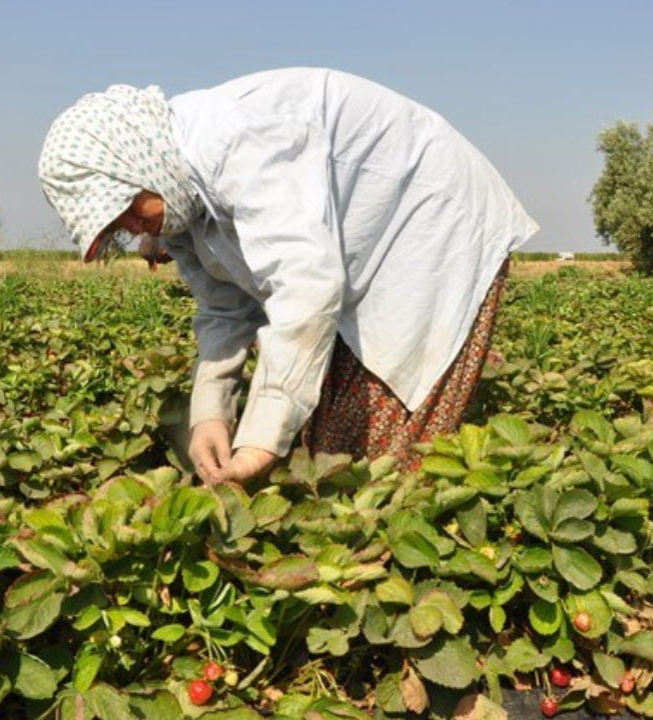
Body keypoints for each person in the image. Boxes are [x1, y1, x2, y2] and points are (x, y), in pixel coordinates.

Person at [38, 68, 537, 485]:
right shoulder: (177, 195)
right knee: (327, 438)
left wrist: (260, 439)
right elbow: (222, 306)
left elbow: (306, 286)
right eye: (117, 225)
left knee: (376, 452)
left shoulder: (236, 140)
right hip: (354, 254)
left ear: (135, 164)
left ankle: (394, 559)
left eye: (124, 208)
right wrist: (210, 413)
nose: (132, 228)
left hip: (432, 228)